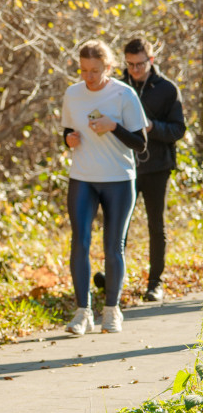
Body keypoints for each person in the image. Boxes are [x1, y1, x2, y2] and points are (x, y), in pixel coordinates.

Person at [61, 40, 147, 335]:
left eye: (95, 71)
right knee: (80, 242)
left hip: (119, 179)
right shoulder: (73, 94)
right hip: (83, 177)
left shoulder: (125, 94)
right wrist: (68, 140)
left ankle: (112, 310)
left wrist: (113, 126)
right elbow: (67, 131)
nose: (89, 77)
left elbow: (140, 143)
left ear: (108, 68)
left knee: (113, 247)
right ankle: (82, 312)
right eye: (84, 70)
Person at [120, 38, 186, 302]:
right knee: (118, 225)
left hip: (158, 167)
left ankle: (155, 283)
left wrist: (151, 127)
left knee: (155, 225)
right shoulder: (118, 87)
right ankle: (115, 279)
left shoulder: (168, 89)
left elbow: (178, 130)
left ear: (151, 60)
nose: (135, 69)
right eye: (130, 64)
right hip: (125, 167)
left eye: (140, 64)